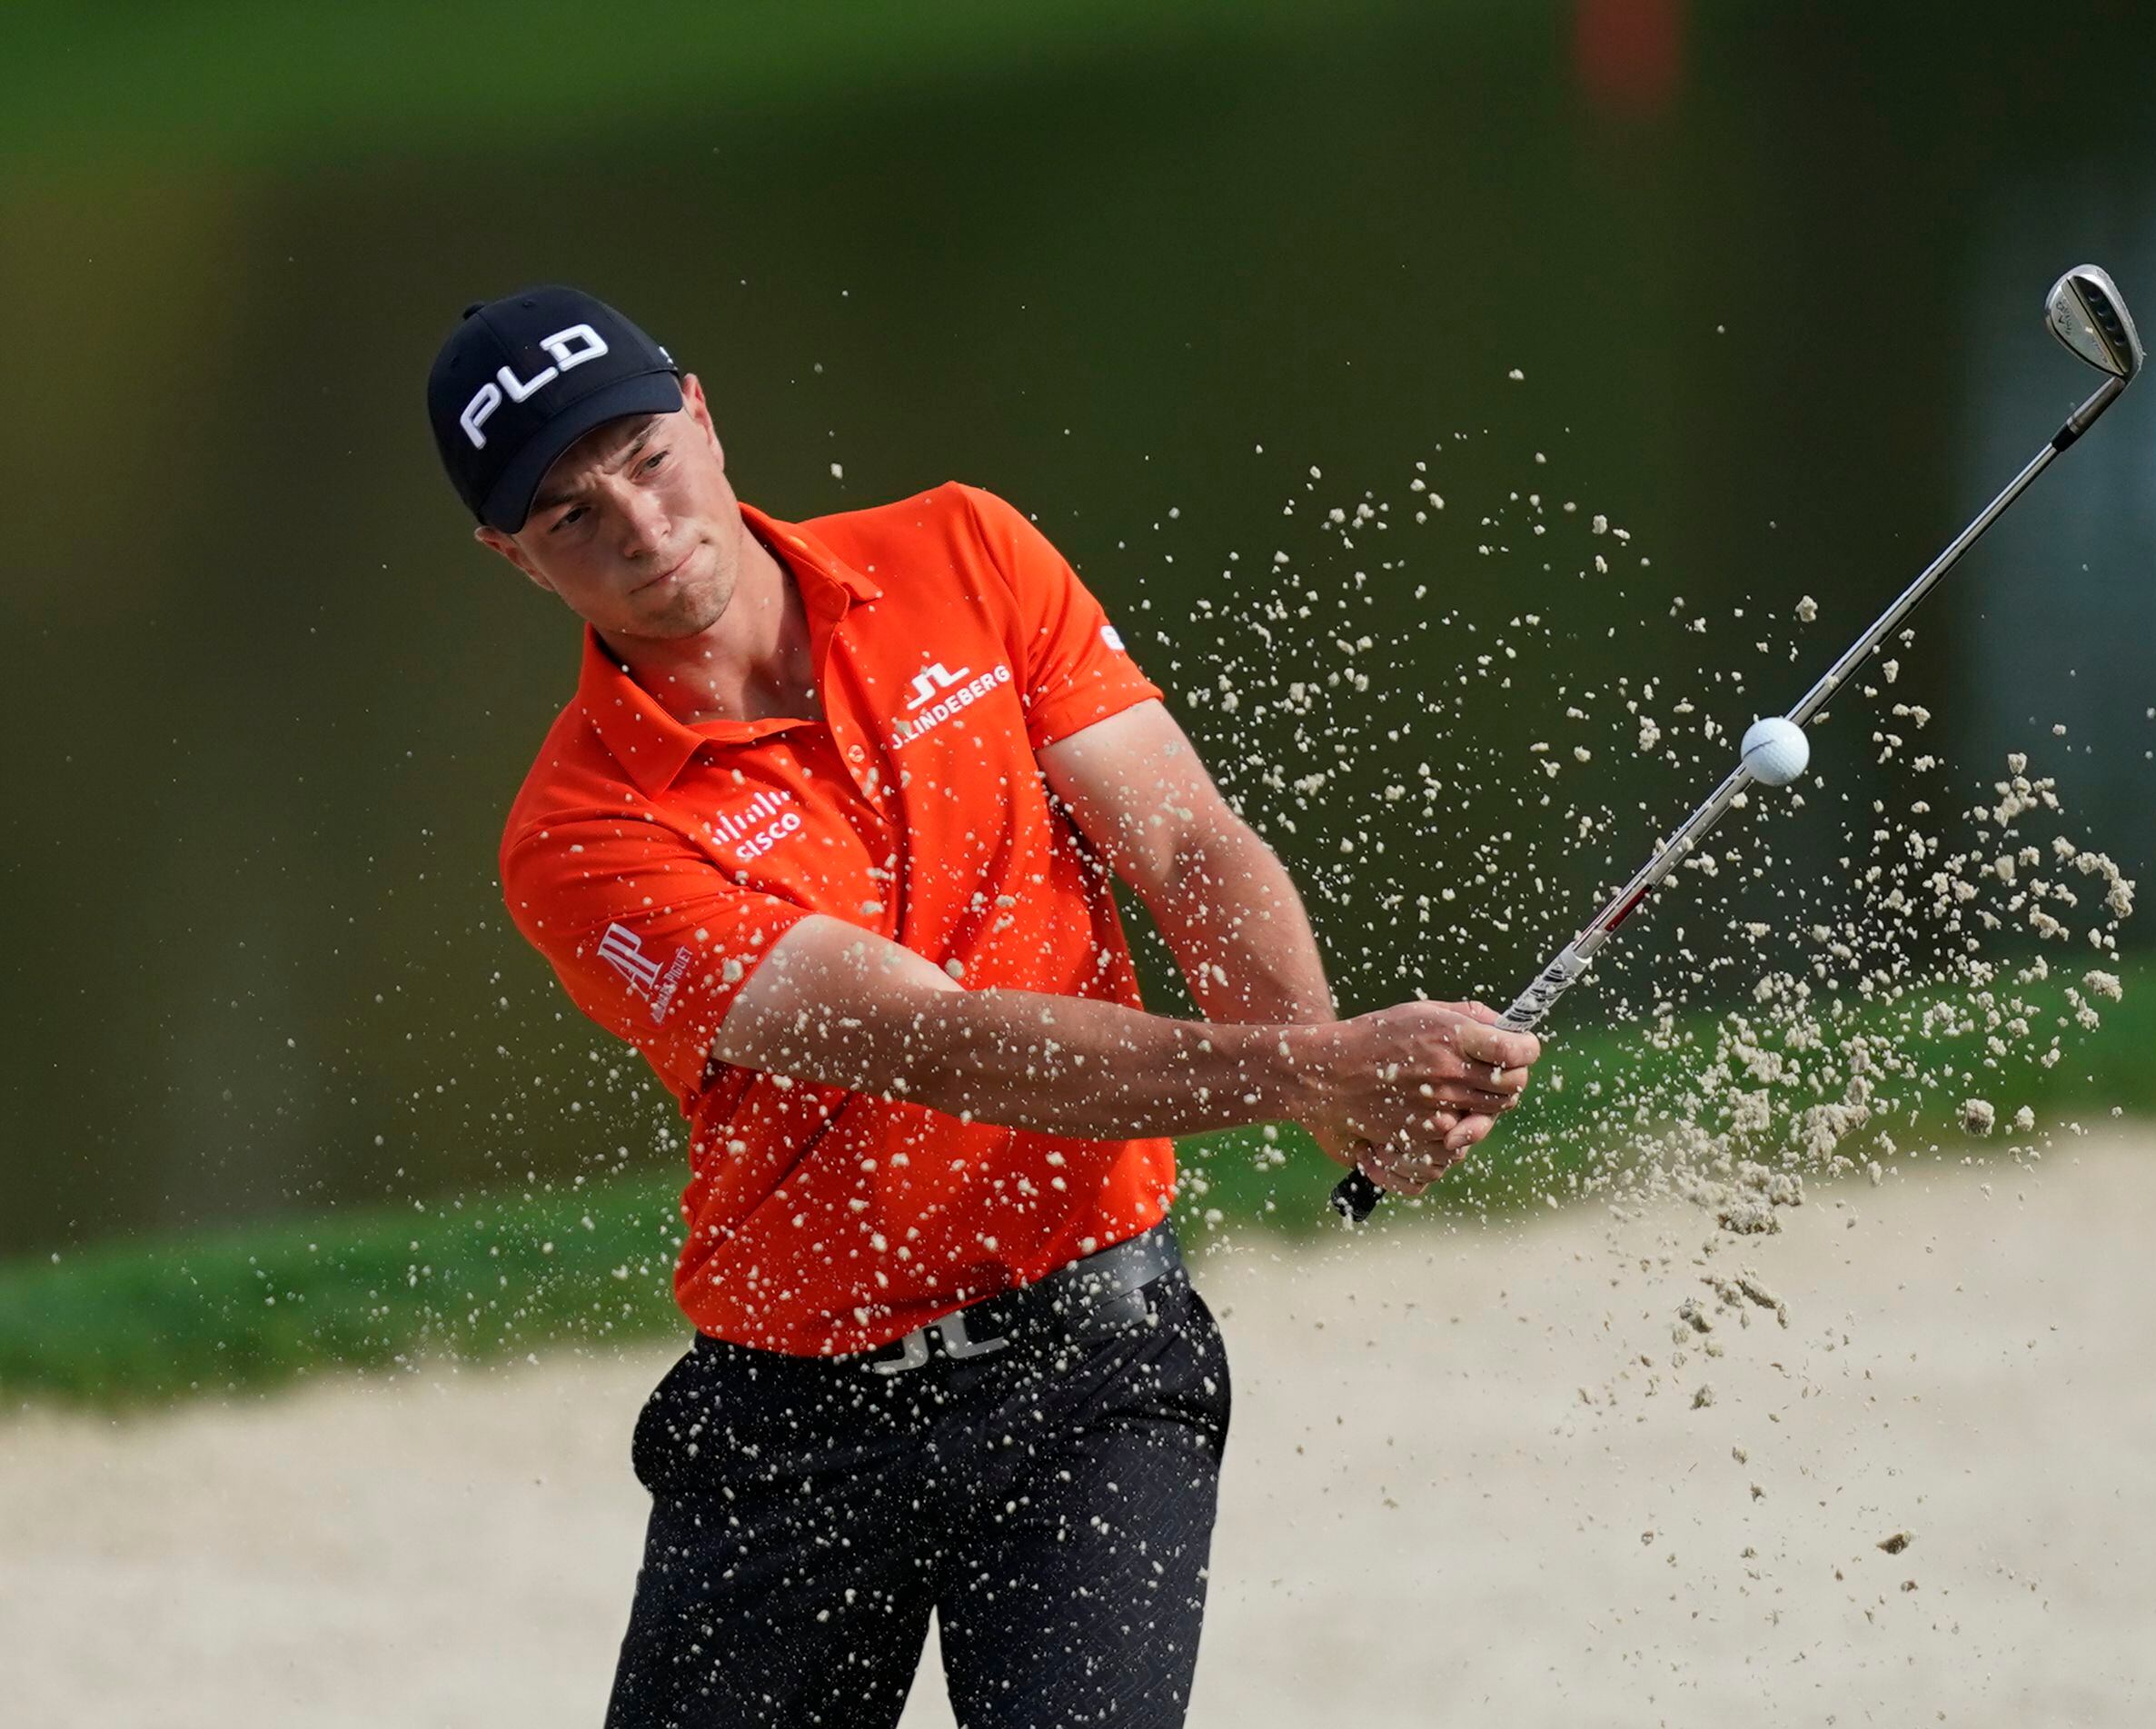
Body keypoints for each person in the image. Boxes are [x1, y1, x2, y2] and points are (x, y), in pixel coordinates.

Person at [424, 285, 1539, 1728]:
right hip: (793, 1428)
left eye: (644, 456)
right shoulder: (579, 836)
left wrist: (1331, 1093)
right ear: (512, 558)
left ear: (700, 412)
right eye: (570, 516)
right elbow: (936, 1042)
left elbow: (1187, 849)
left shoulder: (962, 548)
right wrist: (1313, 1065)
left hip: (1097, 1366)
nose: (640, 524)